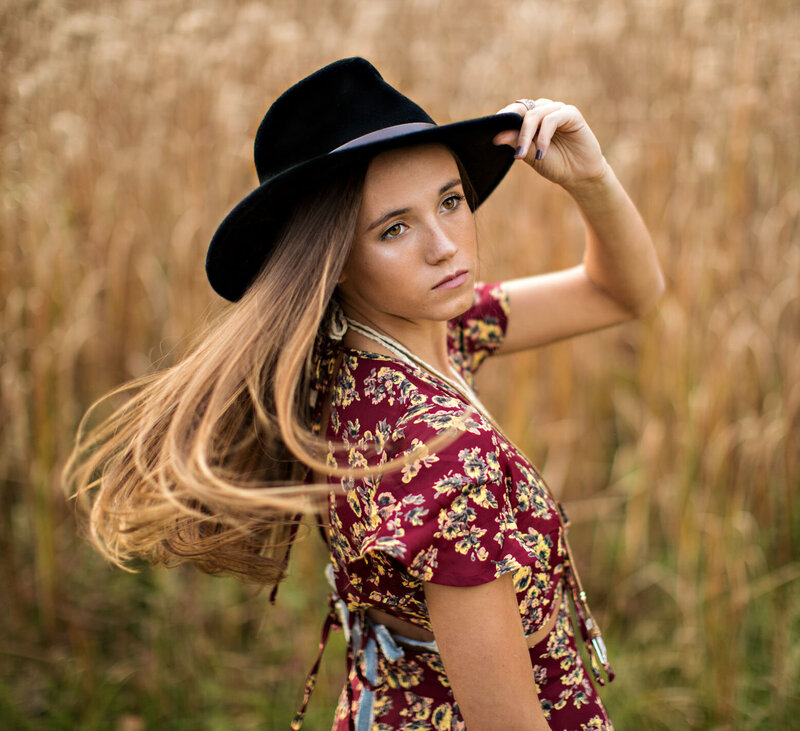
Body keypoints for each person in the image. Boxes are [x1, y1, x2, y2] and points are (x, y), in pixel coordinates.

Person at [65, 57, 664, 730]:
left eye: (450, 200)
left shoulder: (382, 350)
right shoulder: (444, 450)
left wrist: (592, 179)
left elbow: (619, 293)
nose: (445, 247)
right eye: (395, 228)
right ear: (334, 260)